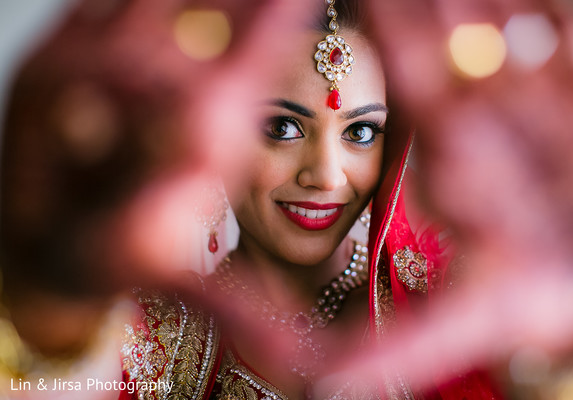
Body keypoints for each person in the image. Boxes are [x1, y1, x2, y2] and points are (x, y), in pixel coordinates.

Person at [118, 1, 502, 399]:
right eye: (282, 127)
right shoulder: (138, 335)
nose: (327, 176)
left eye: (360, 132)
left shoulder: (449, 305)